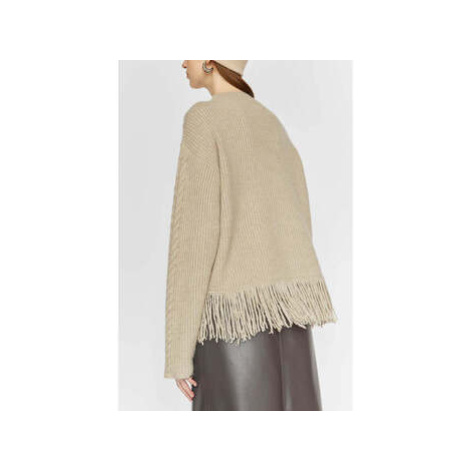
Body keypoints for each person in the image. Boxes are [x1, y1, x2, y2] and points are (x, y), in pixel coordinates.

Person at [164, 60, 337, 411]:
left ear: (210, 60)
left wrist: (178, 353)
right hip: (292, 329)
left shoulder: (203, 120)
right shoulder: (271, 123)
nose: (183, 61)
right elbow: (300, 219)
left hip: (233, 331)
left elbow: (194, 240)